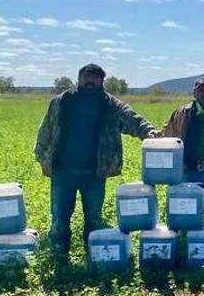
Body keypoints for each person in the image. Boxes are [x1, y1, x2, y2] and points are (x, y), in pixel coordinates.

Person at [34, 63, 156, 263]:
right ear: (79, 78)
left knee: (93, 218)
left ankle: (93, 256)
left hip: (95, 172)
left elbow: (133, 119)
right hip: (63, 171)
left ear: (101, 81)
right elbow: (45, 130)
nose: (90, 80)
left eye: (95, 77)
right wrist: (42, 158)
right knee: (59, 218)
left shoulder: (111, 105)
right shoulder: (62, 101)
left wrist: (149, 132)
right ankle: (58, 257)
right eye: (86, 76)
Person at [159, 76, 204, 226]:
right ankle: (185, 237)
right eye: (201, 90)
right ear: (194, 93)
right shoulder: (181, 113)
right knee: (186, 210)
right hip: (187, 170)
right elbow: (167, 136)